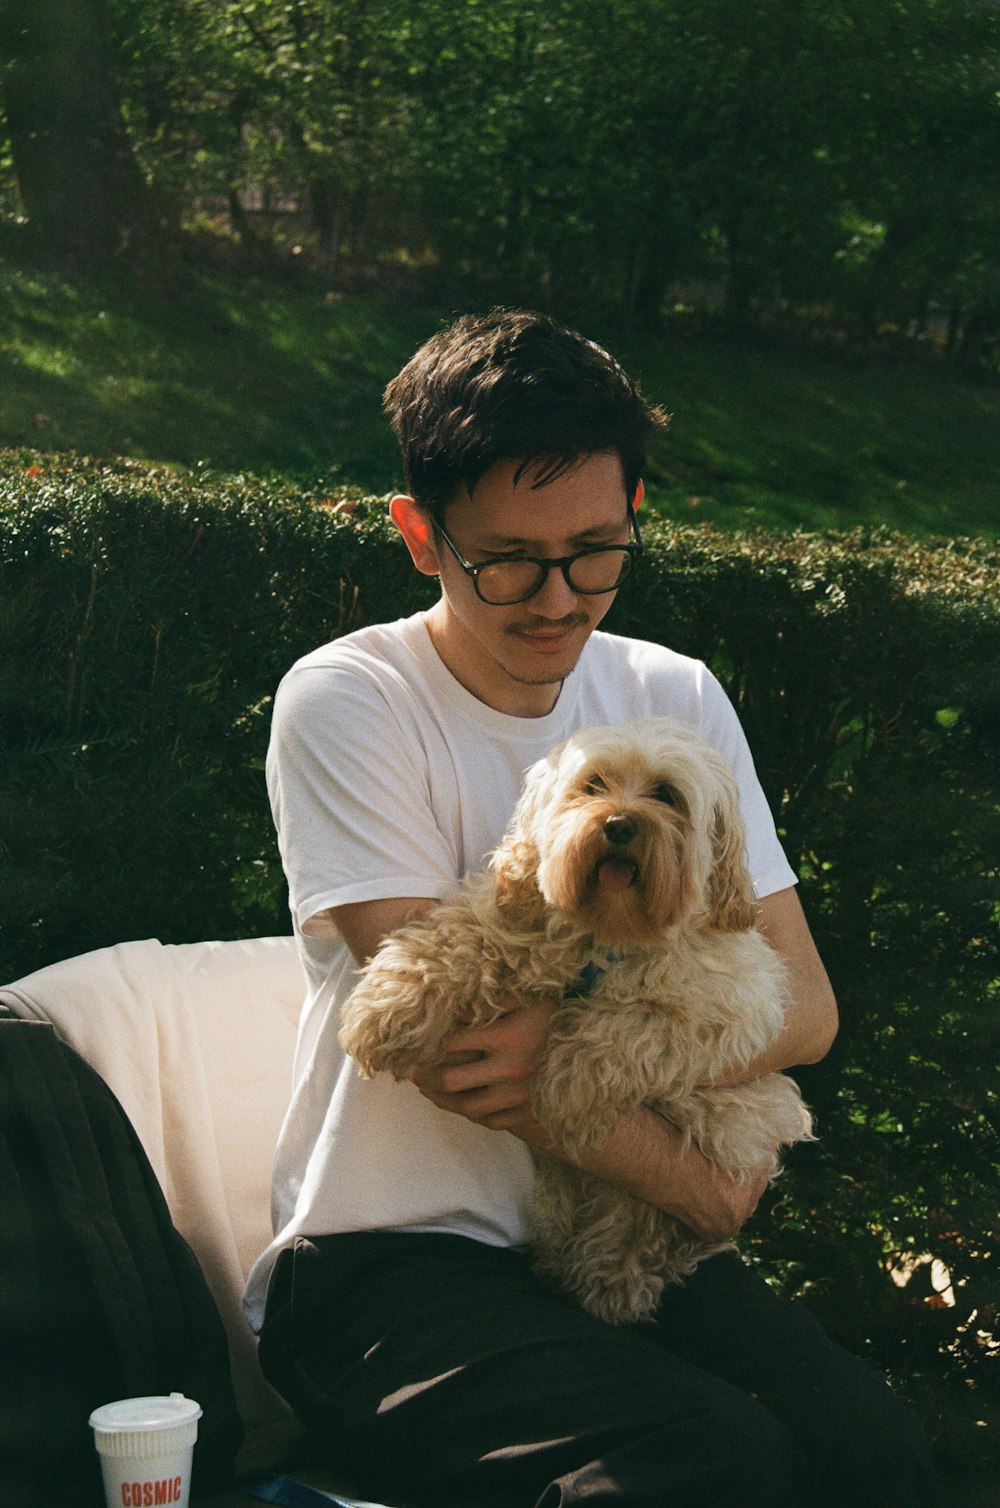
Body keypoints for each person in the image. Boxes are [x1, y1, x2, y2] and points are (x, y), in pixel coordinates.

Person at [245, 310, 940, 1508]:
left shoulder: (673, 692)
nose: (559, 599)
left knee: (872, 1448)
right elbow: (459, 1044)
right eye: (507, 557)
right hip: (386, 1268)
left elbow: (807, 1005)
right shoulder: (350, 697)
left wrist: (665, 1147)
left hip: (611, 1242)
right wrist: (699, 1179)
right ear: (421, 535)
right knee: (707, 1462)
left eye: (597, 551)